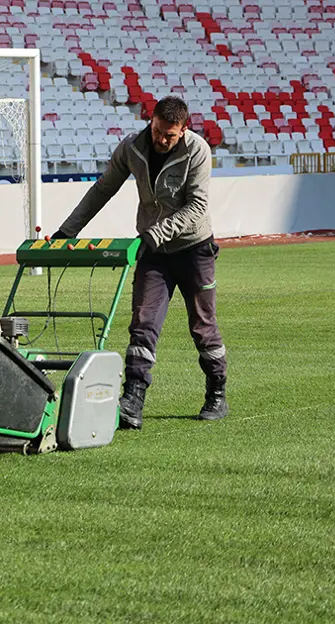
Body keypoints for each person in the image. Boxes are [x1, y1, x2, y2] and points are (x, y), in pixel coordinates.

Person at [50, 95, 228, 429]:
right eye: (158, 131)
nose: (162, 140)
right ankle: (133, 399)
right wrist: (67, 231)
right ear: (152, 120)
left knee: (203, 328)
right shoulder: (131, 148)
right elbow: (103, 189)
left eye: (169, 135)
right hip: (153, 254)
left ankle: (216, 393)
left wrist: (153, 234)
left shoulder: (198, 151)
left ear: (183, 130)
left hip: (194, 249)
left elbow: (197, 207)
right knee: (143, 324)